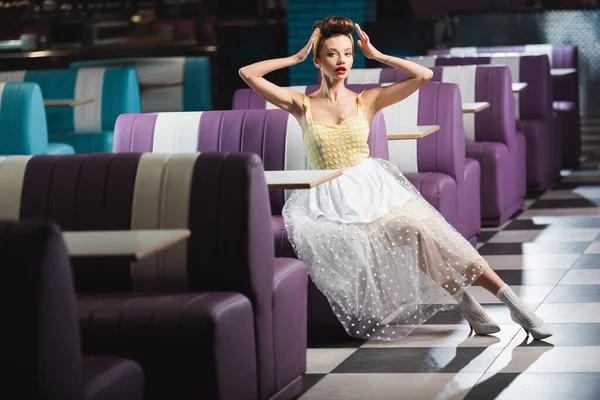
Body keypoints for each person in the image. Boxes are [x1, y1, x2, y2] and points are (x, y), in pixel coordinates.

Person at [239, 16, 552, 341]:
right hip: (328, 202)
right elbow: (248, 74)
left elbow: (424, 75)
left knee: (434, 234)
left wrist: (377, 55)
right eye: (332, 54)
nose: (342, 61)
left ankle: (513, 302)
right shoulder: (300, 104)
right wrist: (295, 57)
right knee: (414, 234)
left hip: (375, 191)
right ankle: (466, 300)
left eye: (347, 53)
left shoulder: (368, 99)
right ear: (319, 59)